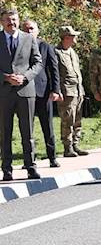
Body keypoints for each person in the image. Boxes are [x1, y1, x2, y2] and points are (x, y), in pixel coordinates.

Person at [0, 7, 43, 181]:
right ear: (2, 22)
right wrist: (5, 77)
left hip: (26, 92)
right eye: (8, 20)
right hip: (4, 92)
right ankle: (7, 170)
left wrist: (25, 77)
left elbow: (37, 63)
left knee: (28, 131)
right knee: (5, 132)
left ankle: (31, 167)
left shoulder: (28, 38)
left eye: (14, 19)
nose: (12, 23)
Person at [24, 19, 62, 166]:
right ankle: (29, 159)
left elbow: (54, 70)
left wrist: (55, 90)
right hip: (25, 93)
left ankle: (52, 157)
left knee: (48, 126)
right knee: (27, 128)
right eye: (26, 29)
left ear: (37, 30)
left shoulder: (45, 46)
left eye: (31, 28)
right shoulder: (20, 46)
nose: (29, 31)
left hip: (43, 92)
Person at [53, 26, 86, 158]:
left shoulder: (72, 52)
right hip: (66, 91)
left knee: (78, 119)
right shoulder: (56, 52)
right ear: (66, 37)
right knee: (68, 120)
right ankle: (68, 147)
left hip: (78, 90)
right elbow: (55, 74)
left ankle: (76, 144)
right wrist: (57, 91)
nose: (75, 38)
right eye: (73, 36)